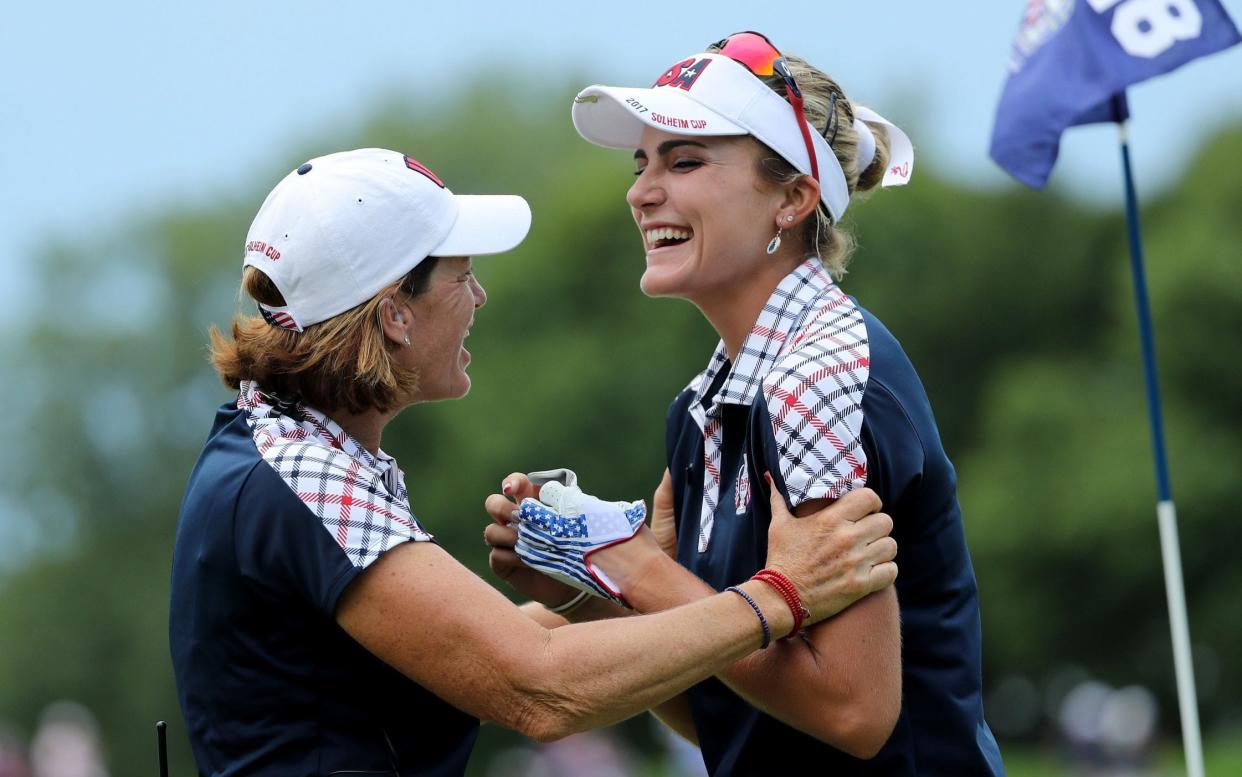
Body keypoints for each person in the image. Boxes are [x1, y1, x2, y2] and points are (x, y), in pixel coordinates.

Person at [167, 147, 899, 776]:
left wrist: (599, 586)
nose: (479, 296)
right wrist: (781, 594)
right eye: (461, 276)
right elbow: (540, 690)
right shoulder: (305, 475)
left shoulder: (284, 446)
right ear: (393, 313)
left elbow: (506, 656)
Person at [485, 32, 1004, 775]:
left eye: (685, 160)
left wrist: (633, 567)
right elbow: (726, 712)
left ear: (792, 199)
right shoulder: (704, 404)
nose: (641, 190)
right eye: (642, 162)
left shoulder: (816, 378)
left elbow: (854, 712)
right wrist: (589, 592)